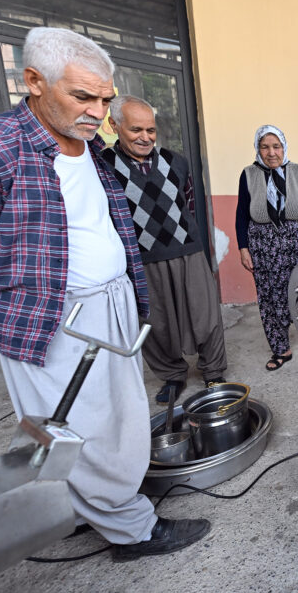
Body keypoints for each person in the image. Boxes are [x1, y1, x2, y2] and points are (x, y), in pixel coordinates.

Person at [0, 27, 209, 561]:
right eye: (83, 96)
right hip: (56, 313)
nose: (98, 111)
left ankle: (77, 506)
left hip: (110, 302)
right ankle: (132, 530)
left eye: (104, 99)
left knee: (115, 415)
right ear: (33, 81)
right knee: (81, 421)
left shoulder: (88, 147)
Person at [102, 95, 227, 405]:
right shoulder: (103, 166)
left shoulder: (176, 161)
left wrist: (201, 248)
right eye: (136, 130)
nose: (146, 137)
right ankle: (172, 375)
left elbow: (191, 206)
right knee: (155, 323)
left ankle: (214, 371)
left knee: (206, 315)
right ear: (113, 125)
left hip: (187, 250)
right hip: (142, 259)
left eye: (151, 130)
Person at [235, 124, 298, 371]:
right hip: (264, 246)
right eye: (264, 146)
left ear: (284, 147)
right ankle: (280, 348)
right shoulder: (248, 175)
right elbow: (242, 213)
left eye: (276, 146)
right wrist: (243, 248)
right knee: (270, 296)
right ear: (257, 149)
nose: (271, 152)